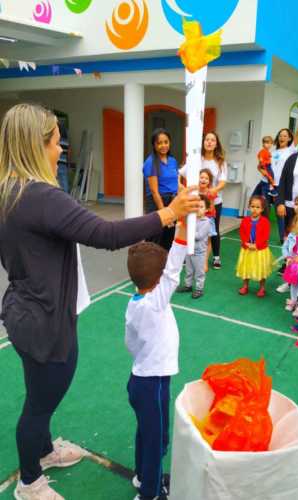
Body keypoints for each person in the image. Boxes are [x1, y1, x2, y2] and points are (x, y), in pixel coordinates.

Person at [0, 103, 200, 500]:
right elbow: (105, 234)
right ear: (36, 146)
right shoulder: (40, 196)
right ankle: (28, 482)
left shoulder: (9, 191)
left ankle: (43, 451)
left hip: (26, 311)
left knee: (40, 391)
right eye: (57, 141)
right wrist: (169, 214)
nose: (62, 148)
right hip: (42, 320)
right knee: (40, 403)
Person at [125, 218, 188, 500]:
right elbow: (174, 266)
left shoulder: (135, 303)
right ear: (159, 280)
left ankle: (142, 477)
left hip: (139, 380)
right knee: (157, 440)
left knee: (145, 434)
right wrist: (184, 226)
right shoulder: (156, 302)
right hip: (153, 385)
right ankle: (150, 493)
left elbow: (130, 343)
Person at [254, 103, 298, 243]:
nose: (282, 137)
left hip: (279, 187)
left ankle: (284, 237)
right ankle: (261, 235)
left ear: (289, 138)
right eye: (280, 135)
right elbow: (262, 167)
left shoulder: (291, 150)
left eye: (285, 135)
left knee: (280, 213)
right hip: (266, 185)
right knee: (262, 211)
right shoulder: (272, 152)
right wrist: (261, 170)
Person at [179, 131, 227, 269]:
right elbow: (180, 173)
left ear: (216, 143)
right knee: (191, 227)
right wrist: (181, 186)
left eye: (212, 140)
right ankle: (188, 254)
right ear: (203, 142)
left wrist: (213, 190)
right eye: (207, 139)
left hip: (213, 203)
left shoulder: (220, 162)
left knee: (212, 230)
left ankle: (216, 257)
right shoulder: (195, 159)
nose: (210, 142)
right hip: (195, 202)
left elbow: (223, 182)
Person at [143, 128, 180, 251]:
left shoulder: (173, 161)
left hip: (172, 201)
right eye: (159, 143)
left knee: (169, 237)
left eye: (166, 142)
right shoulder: (151, 162)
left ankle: (165, 266)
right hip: (157, 203)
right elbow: (154, 191)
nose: (163, 145)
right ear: (154, 145)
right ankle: (150, 267)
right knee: (155, 238)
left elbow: (176, 183)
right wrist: (164, 212)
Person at [236, 195, 274, 298]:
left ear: (262, 209)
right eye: (252, 206)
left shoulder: (265, 222)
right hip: (247, 249)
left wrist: (257, 245)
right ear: (249, 207)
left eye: (258, 207)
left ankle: (262, 288)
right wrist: (246, 243)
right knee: (246, 267)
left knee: (261, 269)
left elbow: (265, 236)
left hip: (260, 250)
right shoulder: (245, 220)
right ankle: (245, 286)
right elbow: (242, 233)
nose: (255, 209)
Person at [177, 196, 211, 298]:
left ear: (206, 210)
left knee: (199, 272)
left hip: (199, 252)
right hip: (189, 250)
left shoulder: (206, 222)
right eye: (196, 206)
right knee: (189, 270)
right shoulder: (191, 219)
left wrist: (187, 230)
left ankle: (199, 289)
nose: (198, 209)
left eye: (201, 206)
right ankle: (188, 285)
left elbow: (199, 236)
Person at [197, 168, 216, 271]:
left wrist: (203, 211)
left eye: (206, 178)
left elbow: (211, 208)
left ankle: (204, 262)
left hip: (208, 218)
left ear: (209, 181)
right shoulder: (194, 191)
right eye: (201, 177)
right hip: (196, 218)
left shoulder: (211, 192)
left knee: (207, 240)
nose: (203, 180)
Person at [56, 120, 70, 193]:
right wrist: (68, 163)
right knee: (64, 183)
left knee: (57, 183)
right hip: (64, 164)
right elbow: (68, 152)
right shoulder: (66, 141)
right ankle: (66, 197)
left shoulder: (57, 140)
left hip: (56, 163)